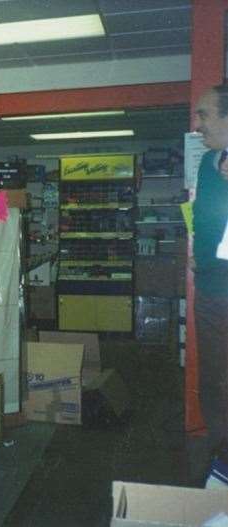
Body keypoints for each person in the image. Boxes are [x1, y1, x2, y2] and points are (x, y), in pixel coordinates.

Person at [189, 84, 228, 482]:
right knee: (213, 376)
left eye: (205, 115)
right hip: (210, 287)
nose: (198, 124)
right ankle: (222, 455)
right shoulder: (206, 163)